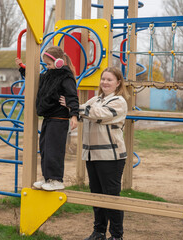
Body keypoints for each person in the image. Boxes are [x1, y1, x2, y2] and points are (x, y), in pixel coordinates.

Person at [60, 67, 129, 240]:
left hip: (110, 157)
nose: (105, 82)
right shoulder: (95, 99)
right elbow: (82, 111)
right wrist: (72, 107)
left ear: (118, 83)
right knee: (96, 196)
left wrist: (74, 106)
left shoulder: (119, 101)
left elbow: (98, 115)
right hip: (92, 155)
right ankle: (99, 232)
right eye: (103, 79)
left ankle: (116, 235)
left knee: (111, 197)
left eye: (109, 80)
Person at [15, 46, 79, 191]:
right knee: (45, 149)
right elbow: (36, 79)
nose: (47, 67)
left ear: (58, 62)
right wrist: (22, 68)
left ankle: (56, 179)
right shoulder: (50, 74)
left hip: (59, 119)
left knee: (54, 150)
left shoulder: (65, 76)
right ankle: (47, 178)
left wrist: (74, 115)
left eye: (49, 64)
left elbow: (72, 95)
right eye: (46, 64)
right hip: (49, 117)